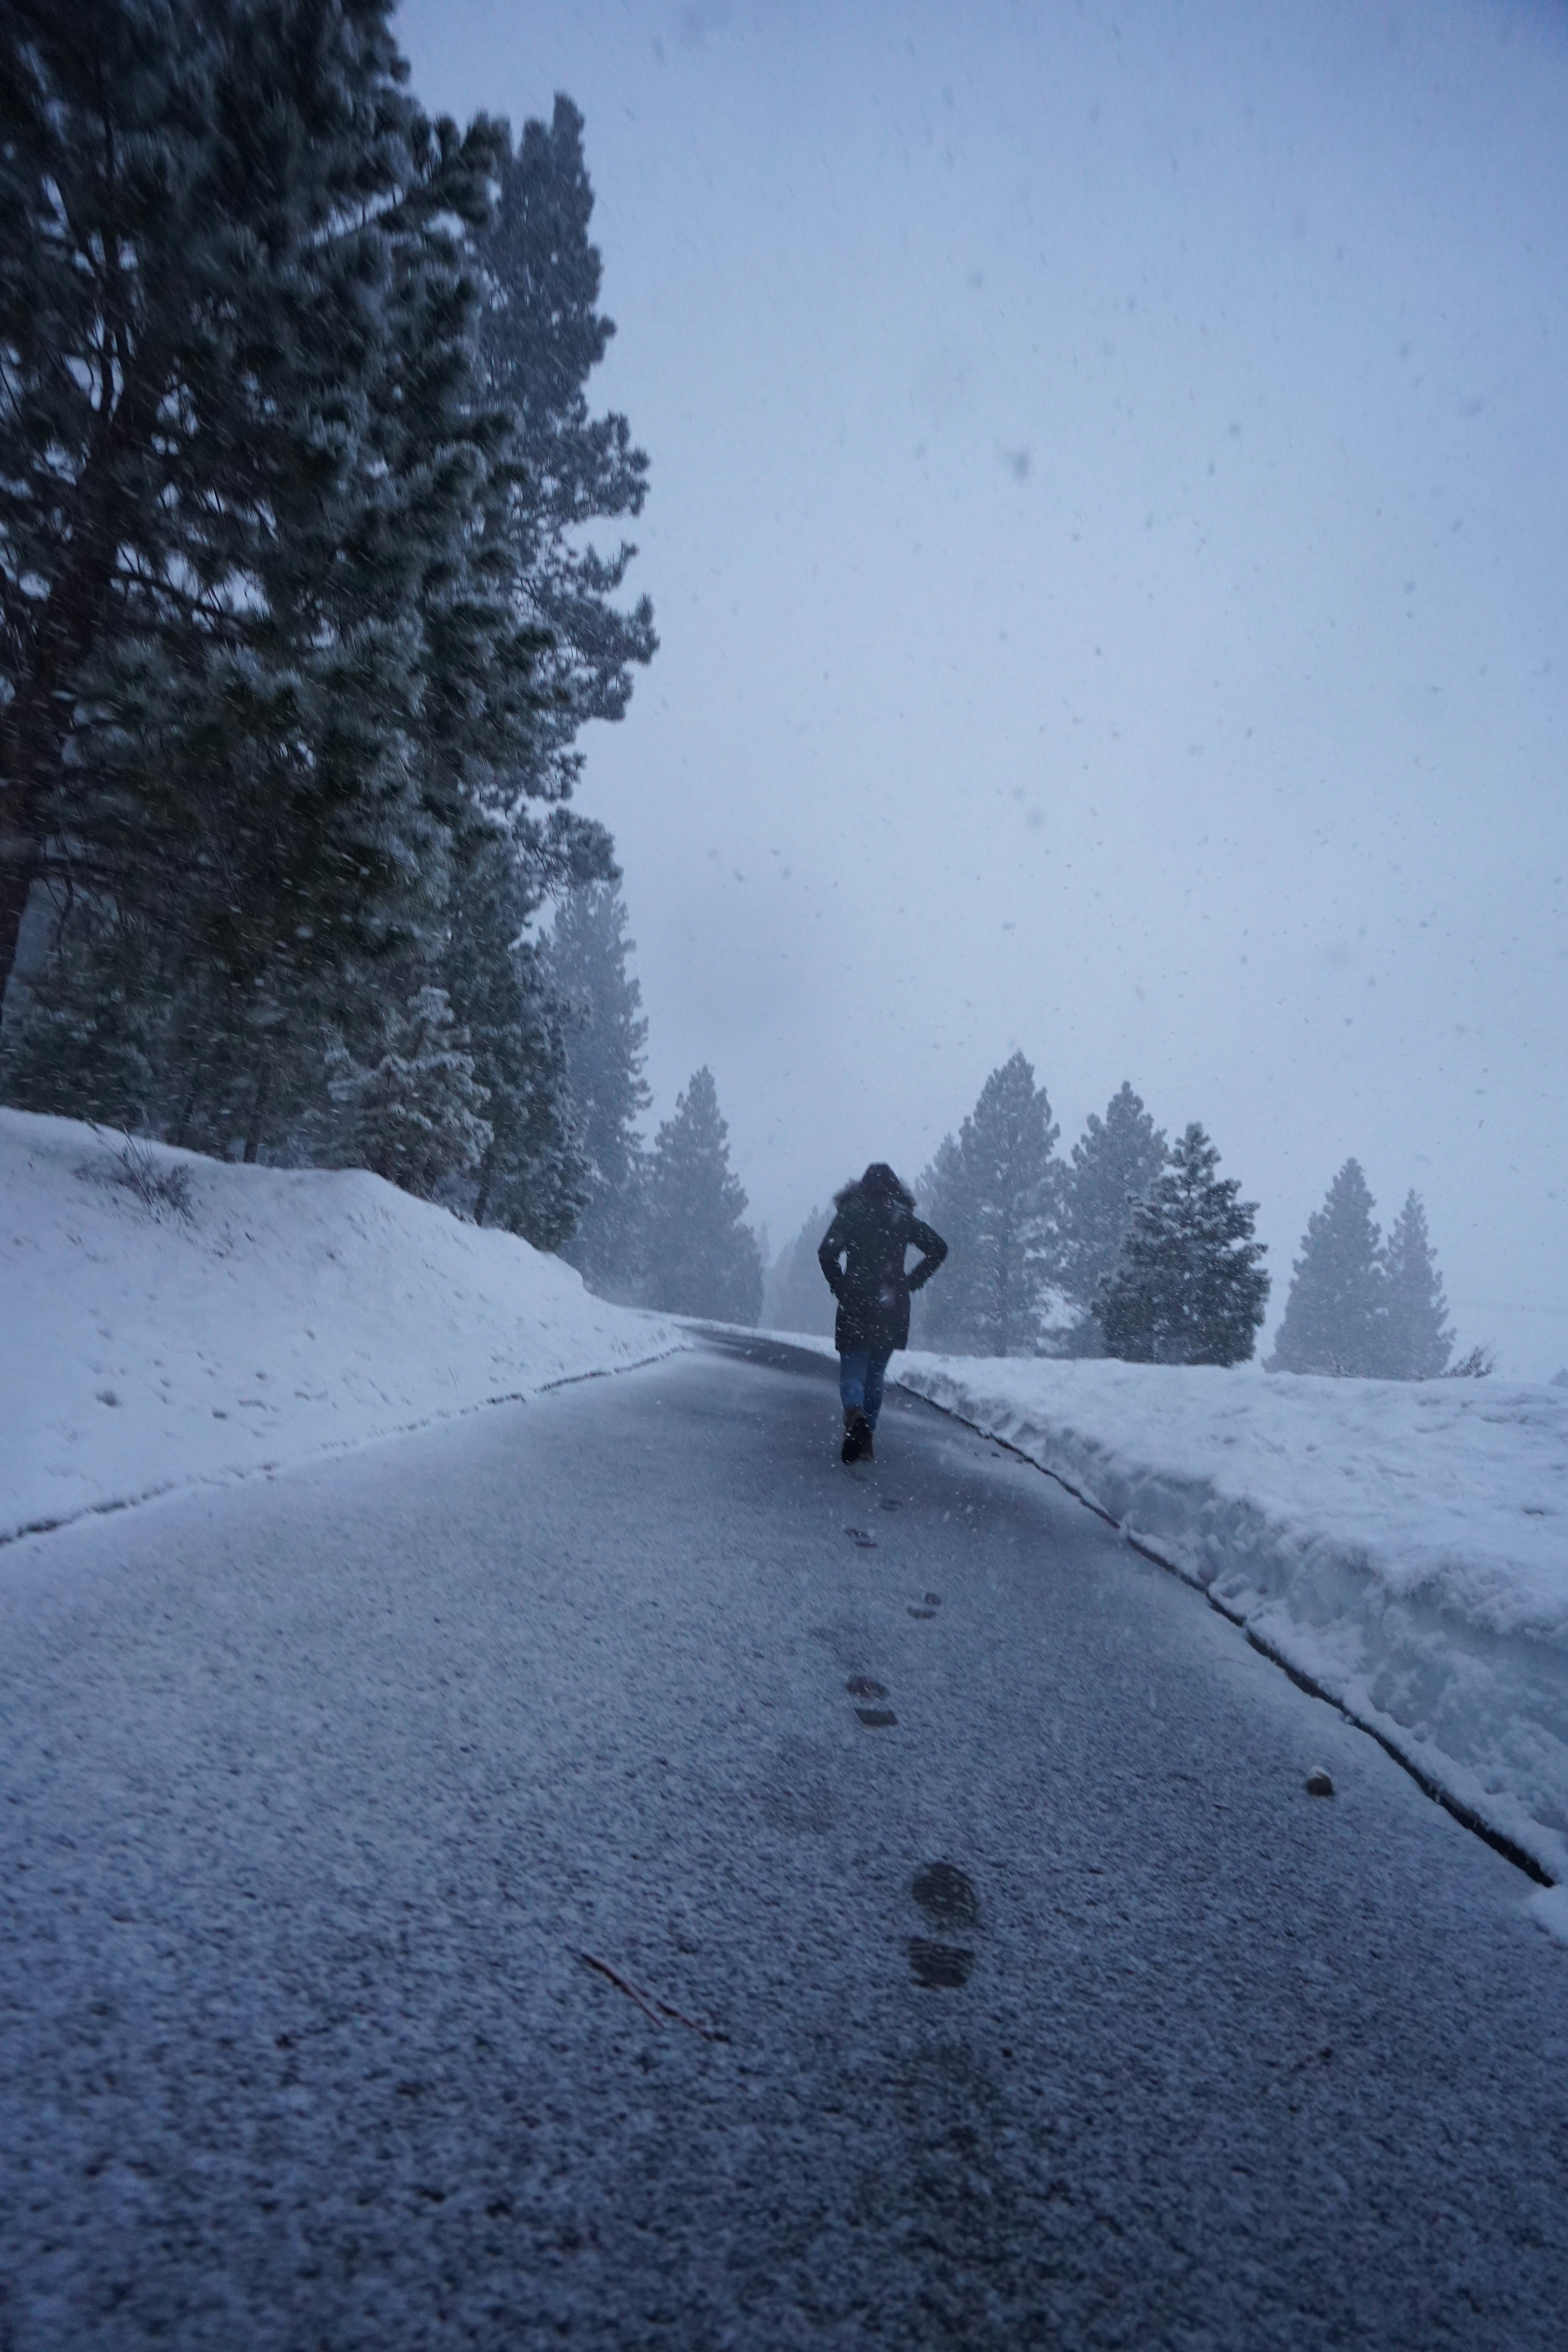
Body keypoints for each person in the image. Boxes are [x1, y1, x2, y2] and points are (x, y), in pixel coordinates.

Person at [817, 1163, 947, 1464]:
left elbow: (826, 1253)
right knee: (875, 1376)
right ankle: (867, 1438)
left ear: (861, 1187)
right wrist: (911, 1281)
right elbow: (939, 1248)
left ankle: (854, 1414)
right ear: (896, 1189)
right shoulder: (903, 1217)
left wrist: (841, 1286)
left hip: (856, 1303)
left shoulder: (851, 1212)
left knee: (853, 1373)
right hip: (892, 1306)